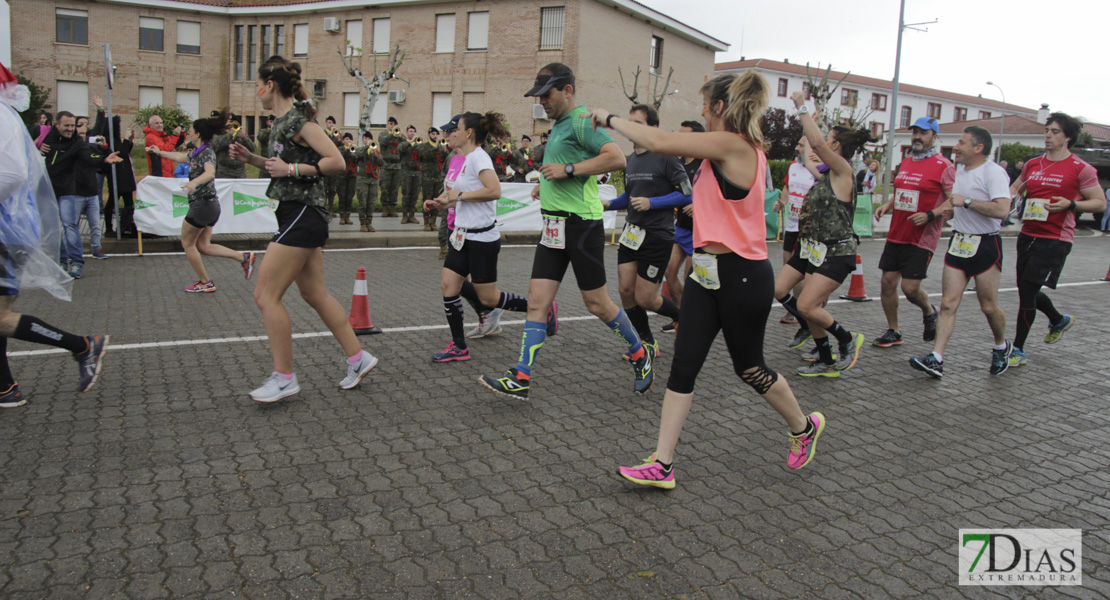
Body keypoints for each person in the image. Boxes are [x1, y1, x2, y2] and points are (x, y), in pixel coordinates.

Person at [587, 72, 824, 490]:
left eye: (703, 103)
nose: (698, 110)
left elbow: (659, 142)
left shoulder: (736, 144)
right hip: (704, 274)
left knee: (749, 368)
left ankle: (804, 426)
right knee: (683, 365)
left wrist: (607, 118)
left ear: (719, 107)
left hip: (743, 277)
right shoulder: (721, 152)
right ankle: (662, 464)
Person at [479, 63, 649, 400]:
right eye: (539, 95)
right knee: (537, 304)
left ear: (567, 90)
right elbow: (560, 169)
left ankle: (640, 352)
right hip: (553, 227)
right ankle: (521, 376)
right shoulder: (558, 125)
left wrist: (568, 170)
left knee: (597, 305)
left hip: (581, 228)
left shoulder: (582, 121)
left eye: (547, 94)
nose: (542, 100)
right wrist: (545, 185)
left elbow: (616, 158)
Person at [229, 55, 379, 403]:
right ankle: (359, 359)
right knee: (313, 294)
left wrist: (293, 170)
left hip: (303, 214)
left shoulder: (299, 121)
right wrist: (251, 160)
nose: (255, 91)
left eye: (257, 84)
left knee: (265, 296)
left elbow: (336, 161)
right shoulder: (279, 123)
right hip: (294, 213)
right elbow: (278, 167)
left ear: (270, 85)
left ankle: (284, 378)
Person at [0, 61, 109, 401]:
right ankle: (6, 388)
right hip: (12, 226)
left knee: (1, 317)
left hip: (7, 230)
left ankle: (81, 346)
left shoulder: (1, 117)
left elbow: (12, 175)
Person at [423, 112, 532, 362]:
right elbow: (460, 193)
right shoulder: (467, 158)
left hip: (481, 239)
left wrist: (458, 197)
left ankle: (539, 308)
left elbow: (494, 191)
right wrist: (440, 202)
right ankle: (459, 346)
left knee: (488, 297)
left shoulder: (479, 157)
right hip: (461, 236)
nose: (453, 132)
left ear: (468, 132)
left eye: (457, 128)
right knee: (449, 286)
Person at [774, 91, 869, 377]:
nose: (822, 142)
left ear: (836, 145)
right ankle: (826, 358)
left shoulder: (843, 170)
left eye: (828, 139)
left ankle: (847, 339)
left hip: (836, 251)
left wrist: (801, 106)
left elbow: (814, 144)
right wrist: (808, 122)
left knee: (807, 304)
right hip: (811, 248)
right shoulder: (825, 173)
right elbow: (807, 150)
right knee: (779, 290)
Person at [909, 126, 1013, 378]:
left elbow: (1002, 210)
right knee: (947, 304)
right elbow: (958, 202)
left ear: (978, 148)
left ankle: (1001, 346)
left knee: (988, 306)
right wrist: (951, 211)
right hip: (959, 243)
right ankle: (937, 358)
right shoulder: (960, 171)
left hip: (986, 245)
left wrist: (966, 203)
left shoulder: (994, 172)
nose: (956, 147)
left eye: (962, 143)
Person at [1006, 112, 1105, 367]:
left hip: (1056, 238)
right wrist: (1010, 196)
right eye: (1047, 130)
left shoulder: (1081, 168)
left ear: (1068, 137)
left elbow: (1099, 203)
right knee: (1027, 290)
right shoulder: (1033, 164)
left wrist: (1071, 204)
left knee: (1027, 293)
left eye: (1055, 131)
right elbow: (1017, 186)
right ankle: (1058, 319)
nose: (1048, 135)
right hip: (1028, 233)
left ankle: (1017, 350)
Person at [602, 104, 687, 358]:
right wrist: (607, 204)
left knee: (647, 298)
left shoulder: (666, 156)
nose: (631, 128)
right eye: (629, 122)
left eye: (638, 123)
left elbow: (687, 193)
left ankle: (682, 318)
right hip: (631, 234)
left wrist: (653, 203)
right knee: (626, 291)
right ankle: (647, 343)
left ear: (653, 128)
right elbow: (630, 196)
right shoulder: (631, 160)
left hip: (657, 236)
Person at [146, 108, 257, 293]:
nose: (189, 132)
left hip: (203, 204)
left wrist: (194, 183)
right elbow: (180, 156)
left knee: (187, 244)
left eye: (191, 130)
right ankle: (243, 257)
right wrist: (159, 152)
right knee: (203, 246)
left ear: (197, 134)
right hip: (209, 205)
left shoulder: (206, 153)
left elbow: (210, 172)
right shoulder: (197, 153)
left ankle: (205, 281)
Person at [872, 117, 953, 347]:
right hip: (897, 232)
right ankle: (894, 331)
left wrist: (930, 215)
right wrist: (888, 204)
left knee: (909, 288)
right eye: (915, 132)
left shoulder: (944, 166)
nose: (917, 136)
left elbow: (952, 201)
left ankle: (929, 310)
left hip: (922, 237)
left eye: (923, 133)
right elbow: (902, 192)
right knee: (887, 282)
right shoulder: (906, 162)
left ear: (934, 137)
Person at [41, 110, 123, 278]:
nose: (70, 129)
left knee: (70, 225)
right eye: (67, 125)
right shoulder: (46, 137)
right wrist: (37, 145)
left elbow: (88, 155)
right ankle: (62, 261)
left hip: (67, 190)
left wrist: (103, 159)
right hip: (48, 190)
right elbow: (26, 140)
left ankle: (77, 262)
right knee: (52, 228)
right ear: (57, 125)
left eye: (72, 125)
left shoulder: (77, 143)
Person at [660, 120, 705, 334]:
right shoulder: (679, 164)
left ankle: (691, 323)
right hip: (682, 228)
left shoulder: (706, 163)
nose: (679, 138)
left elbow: (719, 195)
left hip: (701, 231)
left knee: (690, 282)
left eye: (684, 134)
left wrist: (698, 204)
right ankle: (681, 316)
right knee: (669, 273)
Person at [772, 138, 819, 337]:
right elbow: (788, 188)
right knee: (788, 266)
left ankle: (804, 310)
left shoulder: (818, 168)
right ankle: (798, 311)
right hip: (791, 225)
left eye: (800, 145)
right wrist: (781, 202)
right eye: (798, 144)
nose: (796, 147)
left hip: (808, 229)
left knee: (800, 272)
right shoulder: (793, 166)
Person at [211, 115, 255, 179]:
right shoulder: (219, 134)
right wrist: (229, 135)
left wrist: (243, 137)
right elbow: (216, 146)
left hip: (239, 171)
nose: (231, 124)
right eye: (230, 121)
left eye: (234, 122)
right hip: (224, 171)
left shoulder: (241, 135)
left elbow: (252, 148)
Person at [354, 132, 382, 232]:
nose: (367, 140)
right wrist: (368, 148)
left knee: (371, 202)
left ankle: (369, 223)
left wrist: (374, 154)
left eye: (369, 138)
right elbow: (357, 155)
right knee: (363, 202)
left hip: (373, 180)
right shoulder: (361, 149)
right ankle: (362, 223)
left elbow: (381, 163)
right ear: (363, 140)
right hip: (363, 179)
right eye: (365, 138)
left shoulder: (376, 152)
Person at [417, 129, 444, 231]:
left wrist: (444, 149)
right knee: (427, 199)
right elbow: (425, 155)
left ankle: (433, 222)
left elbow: (444, 159)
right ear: (429, 135)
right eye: (433, 134)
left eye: (437, 134)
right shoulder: (424, 146)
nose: (435, 136)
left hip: (438, 177)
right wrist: (436, 146)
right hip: (427, 177)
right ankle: (426, 222)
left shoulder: (441, 146)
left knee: (436, 199)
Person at [398, 125, 422, 224]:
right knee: (406, 194)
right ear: (407, 133)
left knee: (414, 194)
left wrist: (416, 143)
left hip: (416, 172)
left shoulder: (418, 144)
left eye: (413, 131)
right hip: (406, 171)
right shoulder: (403, 143)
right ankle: (405, 215)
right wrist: (411, 141)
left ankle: (412, 215)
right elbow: (400, 149)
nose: (412, 133)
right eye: (410, 131)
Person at [379, 117, 402, 217]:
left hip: (397, 165)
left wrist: (399, 136)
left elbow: (404, 145)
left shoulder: (399, 136)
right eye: (390, 123)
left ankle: (392, 208)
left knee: (395, 188)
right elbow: (383, 142)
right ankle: (385, 208)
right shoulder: (383, 134)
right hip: (386, 164)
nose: (391, 125)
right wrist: (392, 134)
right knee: (385, 187)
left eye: (393, 124)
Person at [336, 133, 358, 224]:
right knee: (342, 195)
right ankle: (342, 216)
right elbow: (341, 157)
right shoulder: (340, 148)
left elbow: (356, 159)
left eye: (350, 139)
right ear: (343, 140)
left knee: (350, 196)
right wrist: (347, 149)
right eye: (346, 139)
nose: (348, 141)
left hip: (352, 175)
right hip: (342, 175)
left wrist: (351, 151)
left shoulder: (354, 149)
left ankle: (347, 216)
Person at [322, 116, 342, 212]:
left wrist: (337, 137)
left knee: (332, 188)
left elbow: (340, 145)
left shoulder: (337, 134)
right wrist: (333, 136)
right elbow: (327, 144)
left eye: (332, 123)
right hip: (325, 163)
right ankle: (323, 208)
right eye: (329, 122)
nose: (331, 124)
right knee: (324, 188)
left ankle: (331, 208)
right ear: (326, 123)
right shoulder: (323, 133)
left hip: (334, 164)